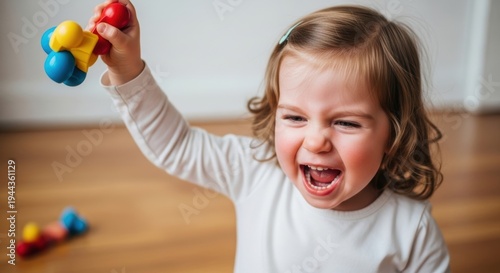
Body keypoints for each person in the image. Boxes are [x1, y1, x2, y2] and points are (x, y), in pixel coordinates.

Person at [89, 1, 450, 272]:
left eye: (346, 123)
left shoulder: (412, 230)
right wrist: (127, 70)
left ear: (394, 135)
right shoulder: (256, 172)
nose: (315, 141)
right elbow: (177, 146)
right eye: (295, 117)